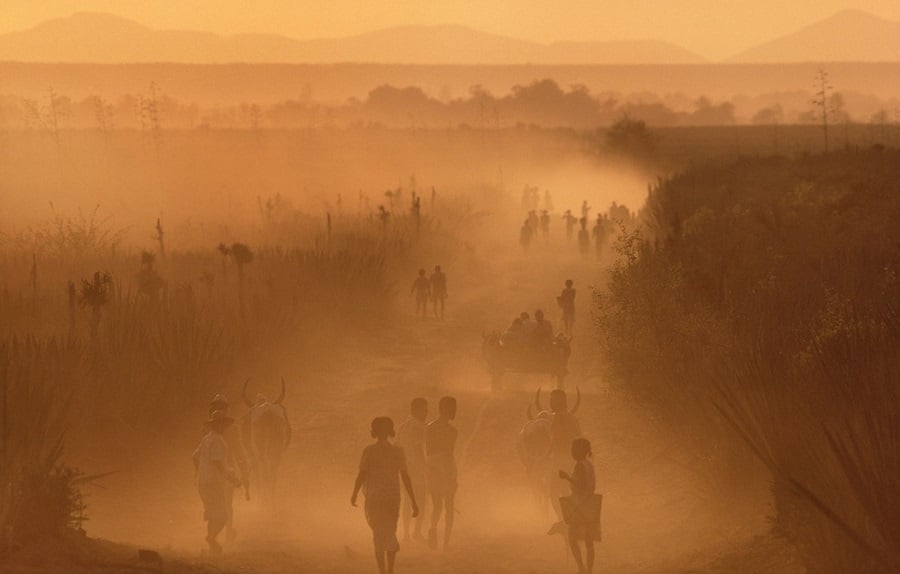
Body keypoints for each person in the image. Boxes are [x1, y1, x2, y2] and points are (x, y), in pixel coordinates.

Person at [352, 417, 419, 574]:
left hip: (377, 498)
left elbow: (362, 474)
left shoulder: (371, 451)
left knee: (379, 533)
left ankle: (384, 571)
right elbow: (405, 476)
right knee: (389, 532)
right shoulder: (397, 451)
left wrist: (354, 493)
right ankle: (388, 570)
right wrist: (414, 500)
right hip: (390, 497)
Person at [193, 410, 242, 556]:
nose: (224, 427)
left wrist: (199, 473)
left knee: (214, 513)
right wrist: (231, 478)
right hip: (213, 483)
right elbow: (217, 462)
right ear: (219, 425)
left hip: (203, 482)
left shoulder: (207, 438)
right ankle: (211, 539)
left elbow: (194, 457)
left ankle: (212, 547)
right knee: (223, 516)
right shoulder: (218, 440)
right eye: (222, 424)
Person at [207, 394, 249, 543]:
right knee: (226, 504)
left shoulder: (207, 428)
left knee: (213, 504)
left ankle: (214, 535)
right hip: (226, 470)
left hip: (209, 472)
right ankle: (227, 533)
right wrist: (244, 471)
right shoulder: (232, 429)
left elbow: (198, 455)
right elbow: (239, 452)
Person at [558, 438, 600, 574]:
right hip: (591, 504)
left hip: (580, 504)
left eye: (574, 449)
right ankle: (589, 570)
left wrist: (566, 477)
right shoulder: (589, 464)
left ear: (580, 451)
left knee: (572, 538)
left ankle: (581, 568)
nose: (572, 452)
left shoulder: (579, 466)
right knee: (589, 542)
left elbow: (580, 486)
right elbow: (591, 485)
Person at [426, 396, 458, 549]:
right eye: (453, 408)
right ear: (447, 409)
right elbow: (448, 454)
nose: (455, 412)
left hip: (434, 469)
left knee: (437, 505)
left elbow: (430, 453)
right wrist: (450, 475)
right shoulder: (452, 431)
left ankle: (433, 530)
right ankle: (445, 542)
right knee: (448, 506)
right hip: (444, 467)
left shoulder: (429, 428)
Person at [395, 399, 429, 541]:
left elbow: (396, 448)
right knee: (421, 499)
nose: (427, 413)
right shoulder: (419, 427)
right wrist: (426, 468)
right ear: (416, 410)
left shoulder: (403, 426)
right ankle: (417, 532)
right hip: (416, 469)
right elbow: (418, 449)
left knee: (407, 501)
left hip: (404, 470)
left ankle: (406, 534)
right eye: (425, 409)